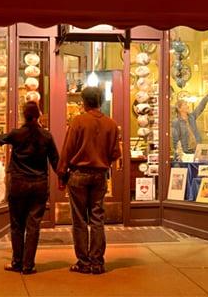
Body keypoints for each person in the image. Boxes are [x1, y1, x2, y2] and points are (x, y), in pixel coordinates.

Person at [0, 101, 59, 275]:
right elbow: (55, 161)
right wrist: (63, 178)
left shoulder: (17, 134)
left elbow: (1, 138)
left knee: (17, 224)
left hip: (18, 183)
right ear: (38, 115)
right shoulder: (46, 136)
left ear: (23, 115)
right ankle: (29, 265)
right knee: (33, 225)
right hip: (39, 184)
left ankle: (17, 262)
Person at [57, 86, 121, 275]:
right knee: (97, 218)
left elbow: (67, 150)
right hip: (100, 175)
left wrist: (62, 175)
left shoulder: (78, 121)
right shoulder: (110, 124)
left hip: (78, 175)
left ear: (84, 102)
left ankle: (83, 262)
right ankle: (97, 262)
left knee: (79, 220)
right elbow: (115, 153)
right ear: (100, 102)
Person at [171, 90, 208, 156]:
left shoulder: (191, 117)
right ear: (179, 109)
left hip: (197, 149)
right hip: (185, 152)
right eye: (185, 104)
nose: (188, 106)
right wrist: (178, 155)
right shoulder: (176, 122)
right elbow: (175, 140)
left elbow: (200, 107)